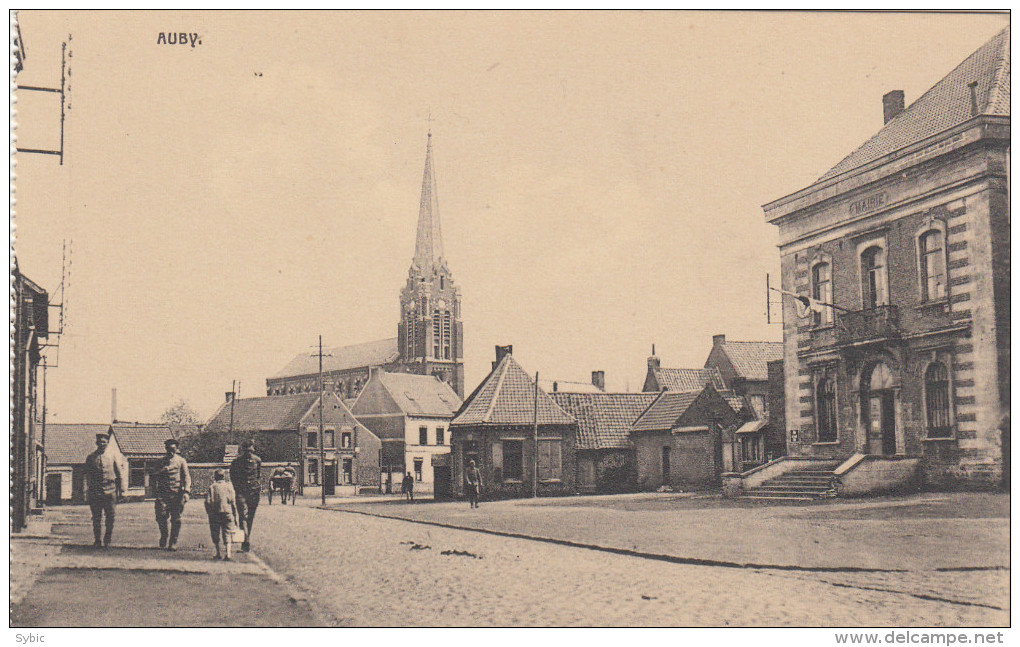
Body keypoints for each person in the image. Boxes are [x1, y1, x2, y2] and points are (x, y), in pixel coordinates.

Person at [84, 433, 127, 548]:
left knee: (110, 517)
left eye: (104, 442)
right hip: (95, 491)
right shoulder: (91, 457)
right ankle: (97, 540)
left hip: (110, 491)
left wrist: (122, 490)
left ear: (107, 444)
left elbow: (119, 474)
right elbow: (87, 475)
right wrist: (86, 491)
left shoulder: (112, 457)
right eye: (100, 442)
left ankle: (107, 539)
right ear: (96, 443)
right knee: (96, 517)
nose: (102, 444)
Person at [151, 438, 191, 550]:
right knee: (161, 517)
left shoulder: (181, 461)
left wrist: (186, 491)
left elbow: (186, 477)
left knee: (176, 519)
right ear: (165, 449)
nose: (170, 452)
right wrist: (160, 472)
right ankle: (164, 535)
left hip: (176, 494)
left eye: (173, 449)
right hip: (162, 494)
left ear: (177, 449)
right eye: (168, 449)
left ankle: (173, 542)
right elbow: (153, 476)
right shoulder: (160, 462)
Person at [229, 438, 262, 552]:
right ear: (243, 451)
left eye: (251, 451)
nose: (249, 454)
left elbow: (258, 475)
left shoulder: (258, 461)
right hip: (241, 492)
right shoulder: (236, 462)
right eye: (247, 451)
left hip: (254, 492)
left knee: (250, 517)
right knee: (243, 516)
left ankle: (246, 539)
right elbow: (233, 477)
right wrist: (237, 489)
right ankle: (245, 541)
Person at [204, 469, 239, 561]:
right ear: (224, 477)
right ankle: (228, 553)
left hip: (215, 513)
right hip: (227, 512)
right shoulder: (229, 487)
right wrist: (235, 516)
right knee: (227, 532)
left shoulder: (212, 487)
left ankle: (218, 552)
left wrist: (209, 512)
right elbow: (233, 503)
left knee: (215, 532)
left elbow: (207, 501)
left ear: (215, 477)